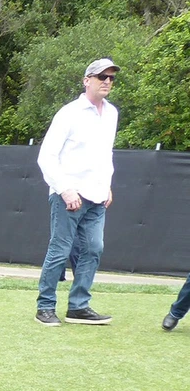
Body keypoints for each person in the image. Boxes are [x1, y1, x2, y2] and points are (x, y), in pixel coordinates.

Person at [34, 57, 120, 326]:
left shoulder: (112, 113)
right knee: (60, 250)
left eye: (111, 78)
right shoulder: (68, 113)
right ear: (86, 81)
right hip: (68, 194)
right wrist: (65, 189)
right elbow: (46, 156)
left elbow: (105, 154)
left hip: (96, 196)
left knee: (94, 248)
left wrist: (107, 185)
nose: (107, 81)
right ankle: (45, 307)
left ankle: (78, 306)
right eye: (101, 77)